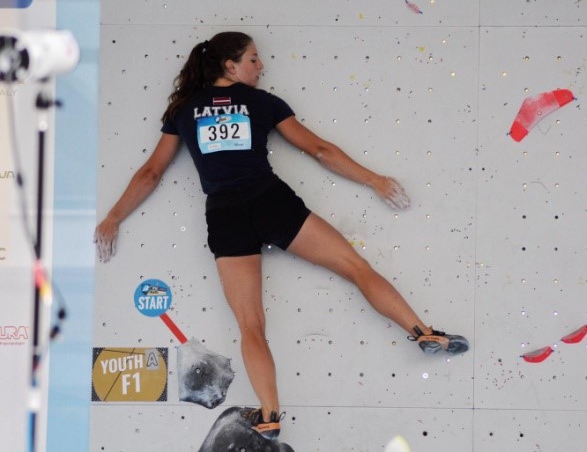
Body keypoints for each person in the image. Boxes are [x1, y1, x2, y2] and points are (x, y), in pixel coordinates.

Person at [94, 32, 469, 441]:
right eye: (253, 59)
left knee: (251, 325)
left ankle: (270, 414)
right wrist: (374, 180)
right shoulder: (262, 102)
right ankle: (423, 332)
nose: (261, 66)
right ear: (230, 66)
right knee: (356, 268)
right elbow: (320, 150)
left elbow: (151, 172)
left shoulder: (184, 110)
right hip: (270, 201)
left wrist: (114, 217)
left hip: (225, 215)